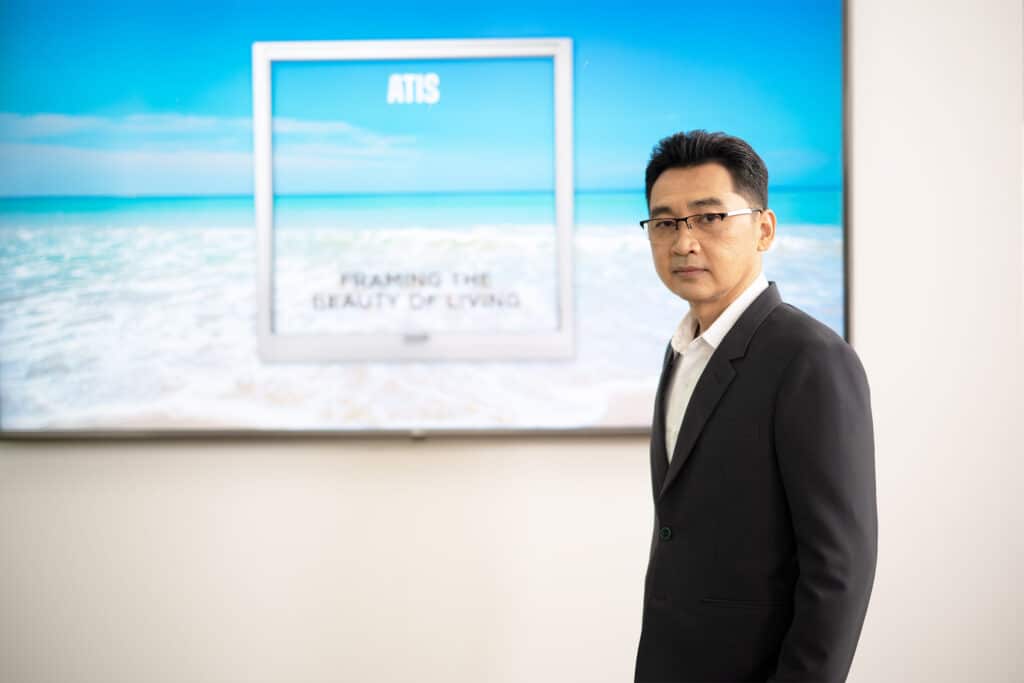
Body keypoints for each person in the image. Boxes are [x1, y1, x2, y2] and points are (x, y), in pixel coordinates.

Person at [633, 130, 877, 682]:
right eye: (665, 223)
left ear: (763, 228)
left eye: (709, 217)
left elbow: (840, 570)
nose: (684, 241)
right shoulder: (683, 350)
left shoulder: (810, 358)